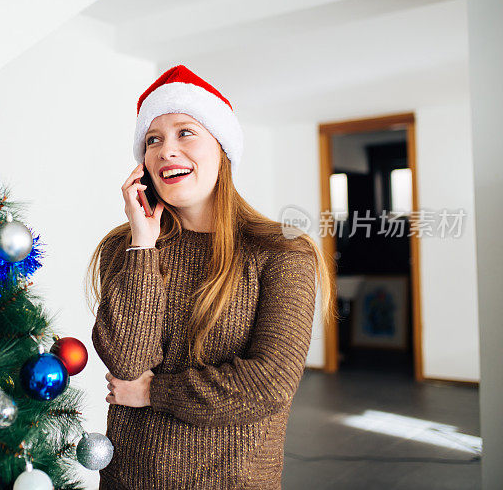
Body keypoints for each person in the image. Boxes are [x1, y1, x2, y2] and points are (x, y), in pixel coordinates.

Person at [85, 65, 336, 489]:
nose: (166, 150)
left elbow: (269, 384)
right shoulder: (126, 248)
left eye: (185, 132)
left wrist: (153, 393)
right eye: (153, 140)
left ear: (222, 149)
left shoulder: (282, 252)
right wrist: (143, 245)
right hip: (130, 479)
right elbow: (127, 363)